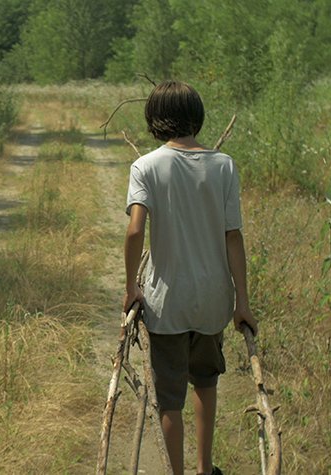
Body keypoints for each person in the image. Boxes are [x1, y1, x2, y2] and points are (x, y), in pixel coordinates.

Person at [122, 80, 257, 475]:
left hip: (168, 303)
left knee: (169, 399)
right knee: (206, 382)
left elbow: (134, 230)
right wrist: (242, 302)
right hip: (214, 300)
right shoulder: (223, 165)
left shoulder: (146, 166)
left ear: (154, 120)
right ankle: (204, 468)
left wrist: (131, 288)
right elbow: (233, 236)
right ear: (197, 118)